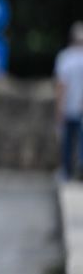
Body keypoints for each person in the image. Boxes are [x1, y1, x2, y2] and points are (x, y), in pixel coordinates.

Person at [54, 22, 83, 179]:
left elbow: (61, 86)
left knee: (68, 143)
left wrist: (59, 108)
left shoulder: (65, 57)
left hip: (69, 107)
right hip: (76, 108)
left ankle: (67, 172)